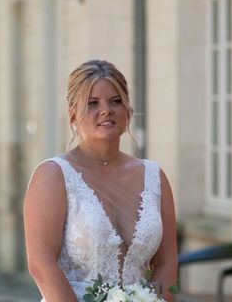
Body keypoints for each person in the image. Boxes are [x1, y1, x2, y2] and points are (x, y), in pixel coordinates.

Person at [23, 60, 177, 301]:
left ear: (127, 109)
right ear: (73, 114)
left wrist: (152, 299)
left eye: (115, 101)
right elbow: (41, 265)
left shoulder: (154, 177)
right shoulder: (53, 176)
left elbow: (167, 263)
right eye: (92, 103)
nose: (106, 110)